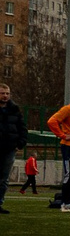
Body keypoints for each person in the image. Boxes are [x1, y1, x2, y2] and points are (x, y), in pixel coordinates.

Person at [0, 84, 23, 214]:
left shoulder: (15, 110)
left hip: (9, 148)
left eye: (7, 93)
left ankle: (0, 202)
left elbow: (22, 127)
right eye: (2, 93)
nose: (5, 96)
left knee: (4, 178)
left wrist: (20, 143)